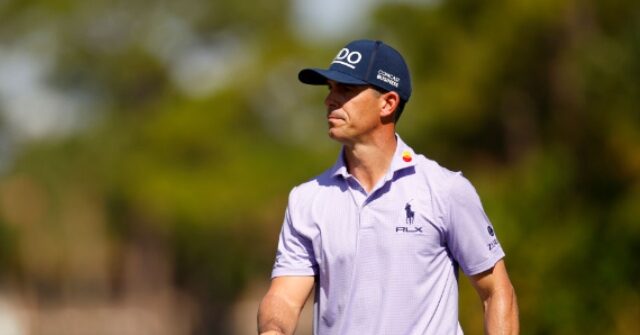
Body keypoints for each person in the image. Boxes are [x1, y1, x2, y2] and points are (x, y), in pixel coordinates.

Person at [257, 39, 519, 335]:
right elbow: (285, 298)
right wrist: (273, 330)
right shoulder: (307, 200)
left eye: (346, 90)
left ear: (388, 103)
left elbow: (497, 291)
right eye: (330, 89)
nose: (330, 100)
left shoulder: (446, 190)